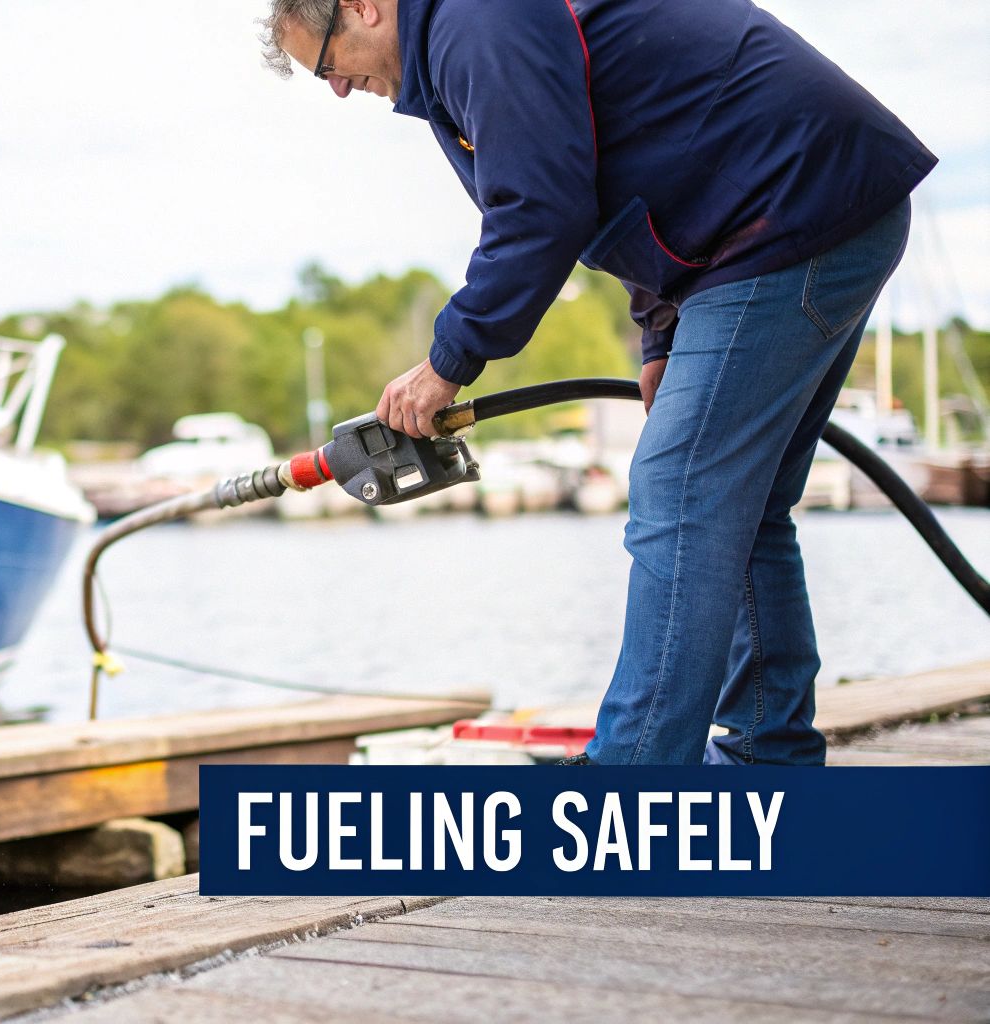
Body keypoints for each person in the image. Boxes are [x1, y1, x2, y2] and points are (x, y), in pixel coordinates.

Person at [260, 0, 934, 765]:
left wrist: (447, 361)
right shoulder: (466, 40)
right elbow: (620, 169)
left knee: (680, 492)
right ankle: (767, 754)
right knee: (741, 505)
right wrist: (660, 332)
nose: (340, 90)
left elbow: (542, 208)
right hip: (805, 202)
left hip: (789, 210)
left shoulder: (474, 21)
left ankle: (632, 782)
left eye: (326, 65)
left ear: (364, 7)